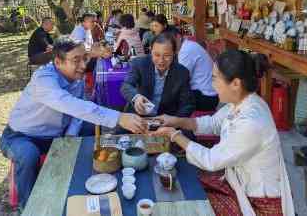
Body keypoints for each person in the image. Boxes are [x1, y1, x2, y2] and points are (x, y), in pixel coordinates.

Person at [0, 38, 146, 211]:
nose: (83, 65)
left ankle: (83, 179)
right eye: (76, 60)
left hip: (56, 133)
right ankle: (28, 207)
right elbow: (70, 104)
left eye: (85, 58)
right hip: (21, 136)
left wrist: (70, 135)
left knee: (91, 127)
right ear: (58, 62)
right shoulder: (44, 79)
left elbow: (79, 109)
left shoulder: (76, 76)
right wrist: (119, 117)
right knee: (28, 155)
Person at [152, 50, 294, 216]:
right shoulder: (242, 103)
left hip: (259, 203)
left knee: (193, 203)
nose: (212, 85)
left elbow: (211, 160)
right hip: (239, 183)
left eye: (215, 78)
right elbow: (212, 123)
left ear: (235, 83)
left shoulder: (251, 122)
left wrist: (174, 135)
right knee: (190, 180)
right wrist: (175, 121)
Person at [121, 33, 194, 119]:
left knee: (186, 132)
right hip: (137, 117)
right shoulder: (140, 64)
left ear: (174, 53)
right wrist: (136, 97)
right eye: (156, 55)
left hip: (166, 119)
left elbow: (187, 104)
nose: (161, 60)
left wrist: (175, 121)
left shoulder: (182, 72)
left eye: (166, 55)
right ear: (150, 51)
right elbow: (126, 86)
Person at [166, 28, 218, 112]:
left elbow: (180, 79)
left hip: (206, 97)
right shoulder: (187, 45)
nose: (169, 44)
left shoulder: (186, 51)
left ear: (178, 37)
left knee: (169, 98)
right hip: (206, 93)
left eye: (171, 40)